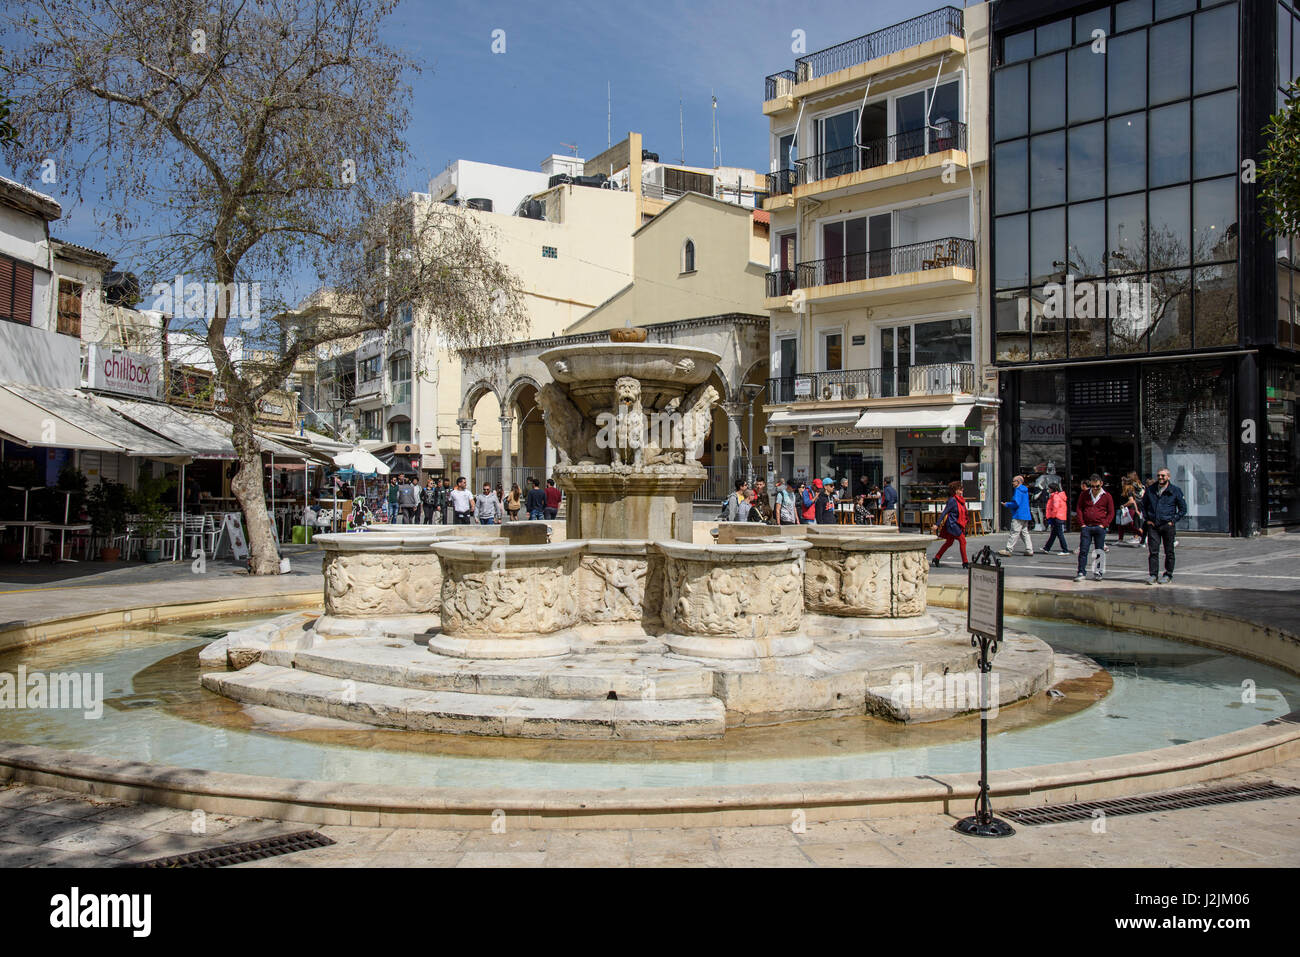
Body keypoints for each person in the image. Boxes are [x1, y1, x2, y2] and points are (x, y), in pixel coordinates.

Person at [1141, 467, 1188, 585]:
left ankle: (1168, 574)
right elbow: (1143, 506)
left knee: (1169, 551)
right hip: (1153, 526)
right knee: (1153, 551)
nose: (1160, 478)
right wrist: (1147, 520)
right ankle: (1153, 575)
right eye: (1159, 475)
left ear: (1168, 477)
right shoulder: (1151, 490)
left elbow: (1183, 509)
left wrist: (1173, 520)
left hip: (1167, 525)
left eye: (1163, 475)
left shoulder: (1175, 490)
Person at [1074, 473, 1115, 582]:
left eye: (1097, 486)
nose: (1095, 489)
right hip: (1087, 526)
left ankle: (1098, 572)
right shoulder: (1084, 495)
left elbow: (1111, 513)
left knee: (1099, 550)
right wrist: (1082, 524)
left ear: (1101, 484)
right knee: (1083, 550)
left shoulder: (1107, 496)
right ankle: (1081, 572)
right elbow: (1079, 509)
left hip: (1099, 527)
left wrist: (1104, 525)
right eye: (1093, 486)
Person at [931, 480, 970, 568]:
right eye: (960, 489)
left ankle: (937, 558)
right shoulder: (952, 500)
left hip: (957, 524)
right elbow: (944, 512)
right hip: (952, 525)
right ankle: (965, 562)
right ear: (956, 490)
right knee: (963, 541)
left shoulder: (961, 500)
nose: (962, 490)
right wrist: (937, 524)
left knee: (949, 542)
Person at [999, 475, 1034, 557]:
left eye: (1014, 481)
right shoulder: (1024, 490)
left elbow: (1016, 503)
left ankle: (1008, 549)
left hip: (1019, 514)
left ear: (1018, 482)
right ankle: (1029, 550)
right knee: (1025, 533)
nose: (1012, 483)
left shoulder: (1018, 490)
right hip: (1025, 514)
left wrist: (1007, 504)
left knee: (1014, 532)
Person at [1042, 483, 1071, 555]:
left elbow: (1055, 508)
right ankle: (1047, 548)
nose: (1048, 490)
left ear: (1052, 489)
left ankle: (1065, 550)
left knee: (1060, 534)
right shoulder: (1059, 496)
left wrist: (1052, 516)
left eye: (1049, 488)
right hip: (1060, 516)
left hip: (1057, 517)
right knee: (1054, 534)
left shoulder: (1055, 497)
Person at [1115, 474, 1144, 545]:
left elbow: (1131, 501)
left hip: (1129, 509)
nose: (1121, 482)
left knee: (1130, 525)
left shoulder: (1128, 490)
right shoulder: (1126, 490)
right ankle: (1120, 539)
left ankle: (1142, 535)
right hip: (1127, 509)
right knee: (1121, 524)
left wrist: (1123, 505)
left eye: (1122, 481)